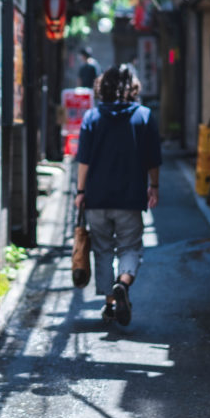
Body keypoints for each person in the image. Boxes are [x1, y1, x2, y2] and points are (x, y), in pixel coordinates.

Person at [74, 64, 161, 326]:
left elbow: (84, 160)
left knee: (102, 250)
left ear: (104, 87)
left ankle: (110, 303)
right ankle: (123, 282)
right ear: (132, 88)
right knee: (130, 247)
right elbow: (153, 159)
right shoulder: (144, 116)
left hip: (96, 198)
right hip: (130, 197)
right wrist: (154, 186)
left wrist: (80, 191)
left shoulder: (92, 118)